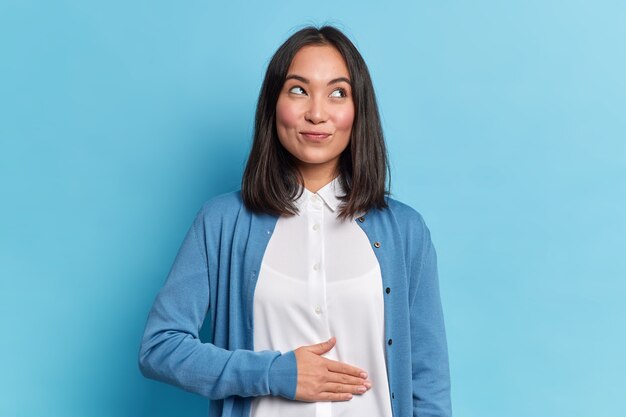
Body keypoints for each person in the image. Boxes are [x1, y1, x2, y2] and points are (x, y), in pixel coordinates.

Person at [139, 25, 451, 417]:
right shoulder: (221, 222)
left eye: (338, 93)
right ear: (273, 104)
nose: (317, 113)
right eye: (299, 90)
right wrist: (275, 373)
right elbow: (160, 347)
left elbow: (429, 383)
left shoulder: (405, 231)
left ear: (359, 110)